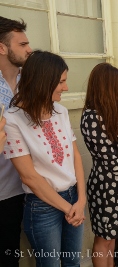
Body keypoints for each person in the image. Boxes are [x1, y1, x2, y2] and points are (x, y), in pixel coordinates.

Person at [3, 51, 85, 266]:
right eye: (61, 82)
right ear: (42, 82)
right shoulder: (13, 120)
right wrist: (69, 209)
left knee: (73, 262)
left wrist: (81, 200)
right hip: (43, 207)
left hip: (74, 197)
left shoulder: (61, 111)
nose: (65, 88)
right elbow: (30, 177)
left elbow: (76, 156)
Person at [80, 63, 118, 266]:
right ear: (106, 87)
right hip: (105, 185)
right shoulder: (91, 116)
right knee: (103, 238)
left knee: (113, 235)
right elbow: (106, 155)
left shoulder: (113, 112)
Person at [0, 16, 32, 267]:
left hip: (26, 187)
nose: (29, 49)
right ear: (2, 48)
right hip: (1, 190)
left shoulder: (28, 85)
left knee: (13, 251)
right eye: (22, 44)